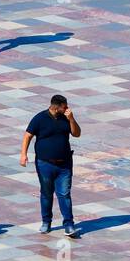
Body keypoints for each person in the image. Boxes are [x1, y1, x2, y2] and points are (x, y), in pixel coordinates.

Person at [20, 94, 81, 238]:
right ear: (56, 107)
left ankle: (69, 225)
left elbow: (77, 134)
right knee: (46, 193)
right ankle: (46, 222)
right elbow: (27, 135)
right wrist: (23, 154)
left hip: (64, 164)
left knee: (64, 194)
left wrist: (71, 119)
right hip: (44, 164)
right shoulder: (40, 118)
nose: (67, 109)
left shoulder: (67, 117)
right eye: (64, 107)